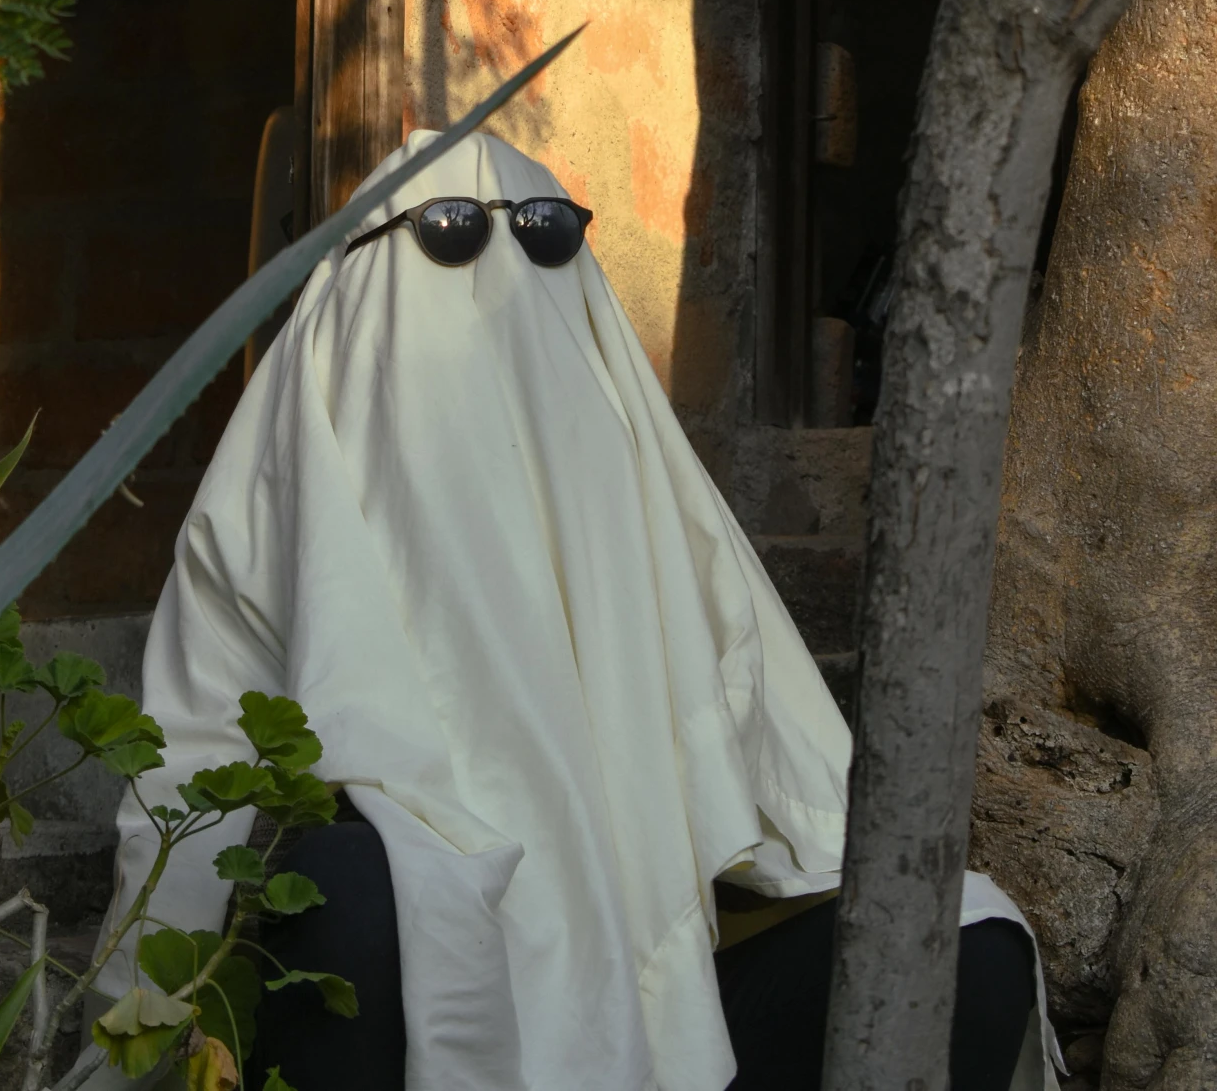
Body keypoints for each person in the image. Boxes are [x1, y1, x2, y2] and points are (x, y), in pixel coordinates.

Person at [96, 128, 1060, 1090]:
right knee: (350, 890)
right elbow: (188, 786)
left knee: (958, 937)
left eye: (545, 238)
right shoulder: (274, 497)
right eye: (451, 240)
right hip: (415, 981)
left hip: (666, 997)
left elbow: (782, 780)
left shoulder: (648, 494)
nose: (503, 283)